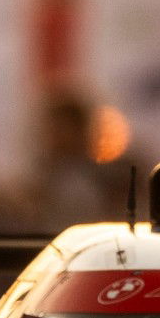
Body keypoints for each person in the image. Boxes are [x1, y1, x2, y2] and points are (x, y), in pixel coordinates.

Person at [34, 93, 121, 230]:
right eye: (53, 129)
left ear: (80, 131)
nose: (56, 136)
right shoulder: (42, 177)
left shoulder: (102, 179)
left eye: (63, 129)